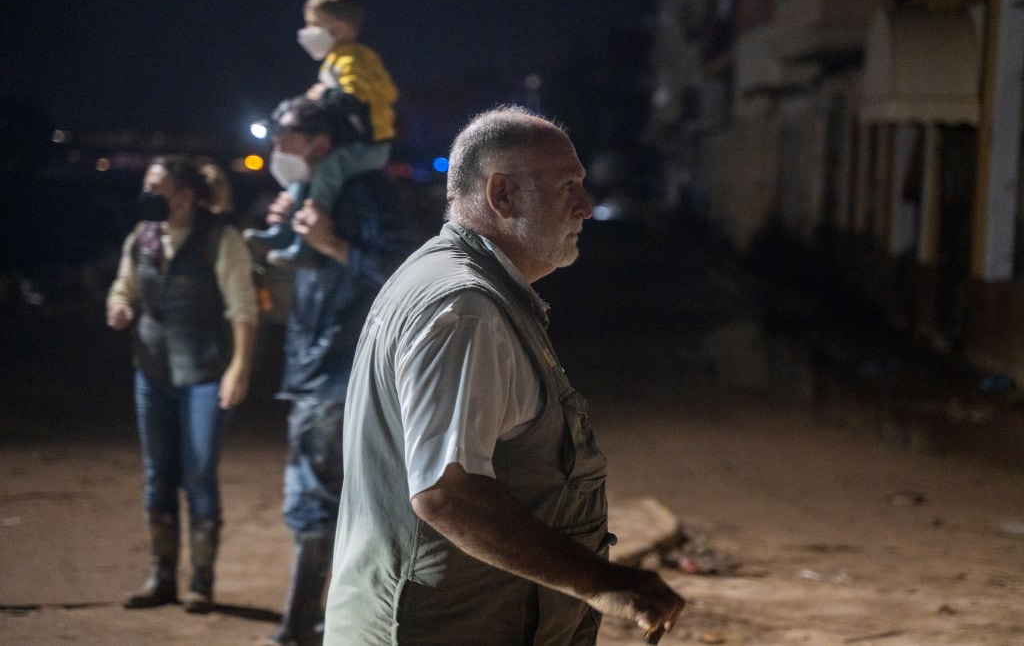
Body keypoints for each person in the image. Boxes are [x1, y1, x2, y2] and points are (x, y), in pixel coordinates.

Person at [323, 105, 685, 644]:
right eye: (567, 187)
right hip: (446, 627)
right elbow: (448, 494)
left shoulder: (446, 277)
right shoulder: (466, 309)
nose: (585, 207)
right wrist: (599, 582)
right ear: (503, 196)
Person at [260, 95, 412, 645]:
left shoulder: (364, 191)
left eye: (286, 141)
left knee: (317, 503)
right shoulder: (314, 191)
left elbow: (400, 271)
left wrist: (331, 243)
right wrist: (293, 236)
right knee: (333, 502)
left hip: (343, 373)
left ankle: (297, 630)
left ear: (321, 144)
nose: (277, 151)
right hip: (314, 367)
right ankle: (332, 622)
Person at [106, 155, 258, 613]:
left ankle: (201, 584)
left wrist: (239, 370)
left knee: (199, 474)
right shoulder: (142, 238)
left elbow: (243, 310)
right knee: (158, 476)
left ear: (185, 195)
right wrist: (118, 306)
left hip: (204, 375)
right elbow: (124, 287)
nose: (148, 194)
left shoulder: (220, 239)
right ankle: (162, 578)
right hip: (152, 371)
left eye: (158, 187)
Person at [246, 0, 399, 268]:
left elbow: (355, 97)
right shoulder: (335, 60)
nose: (306, 32)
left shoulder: (354, 59)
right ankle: (285, 231)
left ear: (338, 27)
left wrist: (324, 95)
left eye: (313, 24)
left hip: (369, 147)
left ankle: (307, 243)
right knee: (307, 172)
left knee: (327, 170)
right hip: (354, 142)